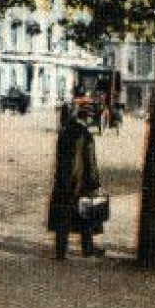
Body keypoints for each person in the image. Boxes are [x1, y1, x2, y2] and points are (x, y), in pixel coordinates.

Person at [47, 105, 103, 259]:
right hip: (81, 182)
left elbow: (59, 160)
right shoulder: (85, 134)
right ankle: (88, 249)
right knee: (86, 215)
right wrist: (95, 183)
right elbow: (91, 162)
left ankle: (60, 252)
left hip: (63, 182)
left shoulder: (63, 133)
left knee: (63, 216)